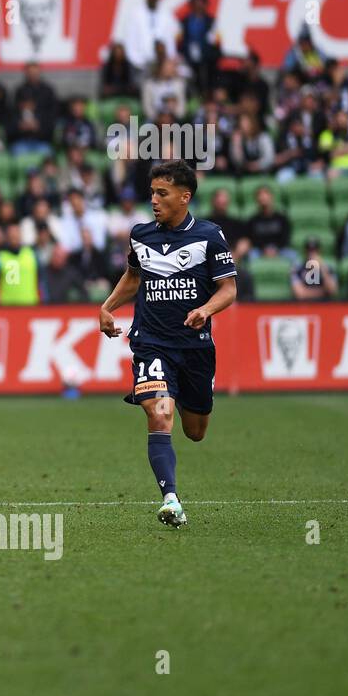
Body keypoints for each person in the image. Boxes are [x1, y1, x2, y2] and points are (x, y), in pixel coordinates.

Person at [99, 160, 238, 528]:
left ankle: (190, 399)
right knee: (159, 414)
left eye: (162, 193)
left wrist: (205, 310)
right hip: (151, 343)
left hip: (194, 348)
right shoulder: (140, 235)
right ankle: (171, 499)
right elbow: (133, 277)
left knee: (195, 431)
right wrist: (108, 306)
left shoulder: (209, 236)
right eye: (153, 193)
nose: (155, 200)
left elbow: (229, 289)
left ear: (184, 196)